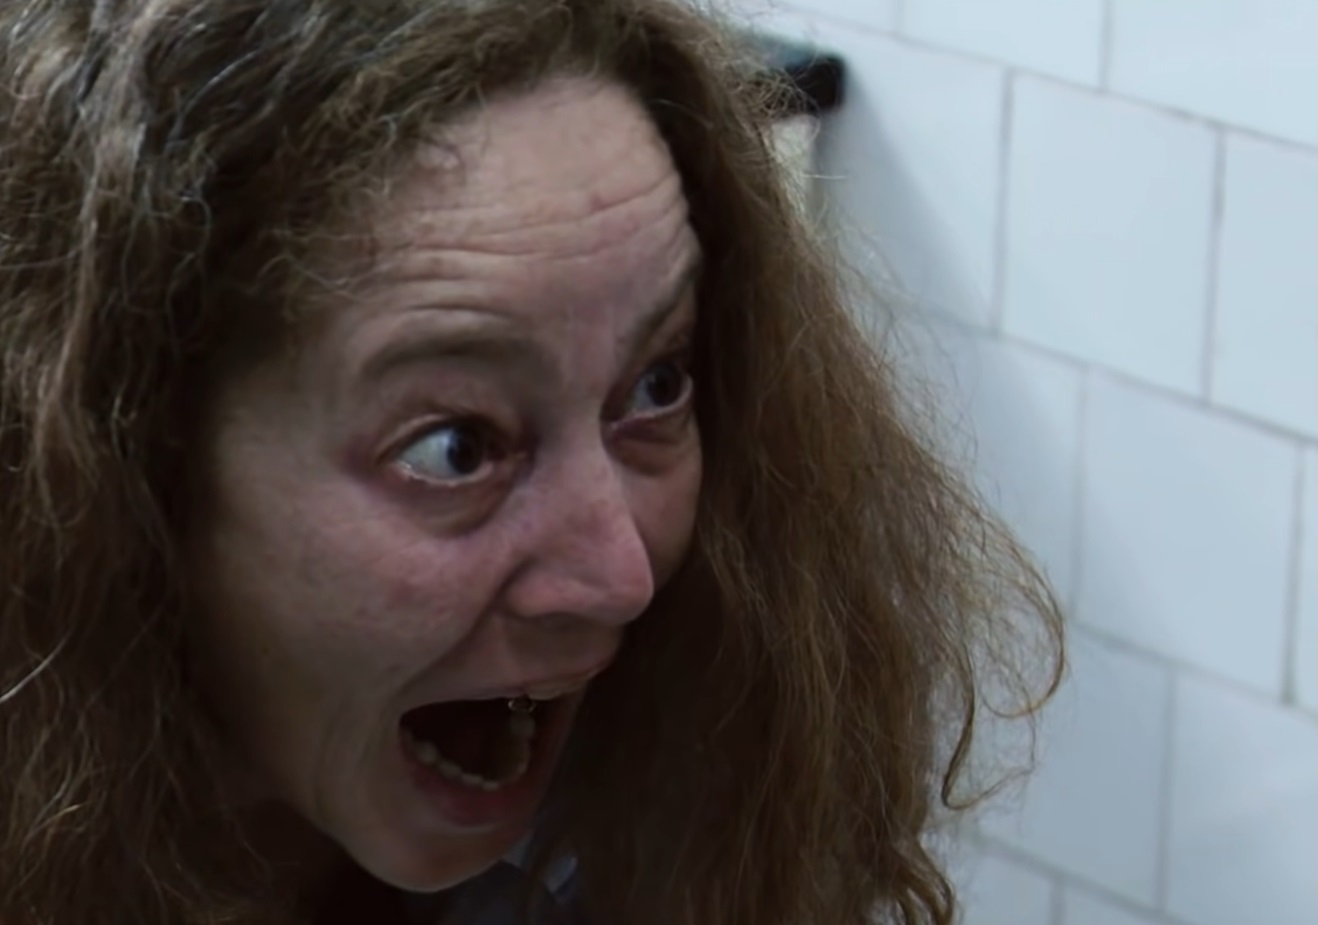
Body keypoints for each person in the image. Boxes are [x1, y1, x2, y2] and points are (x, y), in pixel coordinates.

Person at [0, 1, 1064, 924]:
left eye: (656, 385)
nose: (621, 575)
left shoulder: (648, 825)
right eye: (455, 449)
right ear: (112, 473)